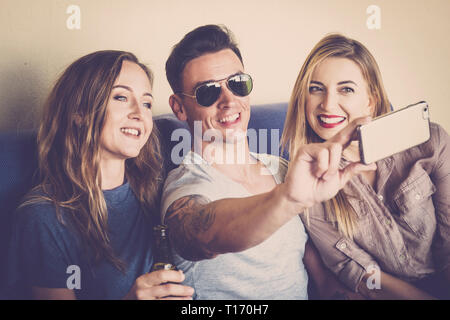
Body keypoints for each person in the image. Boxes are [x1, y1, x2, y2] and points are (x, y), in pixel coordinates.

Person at [161, 24, 375, 299]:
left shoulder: (284, 170)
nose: (229, 101)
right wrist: (287, 199)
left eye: (238, 84)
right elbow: (201, 235)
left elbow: (322, 282)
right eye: (207, 92)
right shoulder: (185, 183)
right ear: (179, 107)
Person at [6, 50, 194, 300]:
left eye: (147, 102)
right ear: (79, 113)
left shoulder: (158, 189)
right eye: (121, 97)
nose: (139, 112)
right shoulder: (43, 216)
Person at [281, 33, 450, 299]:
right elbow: (359, 272)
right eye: (316, 88)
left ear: (370, 100)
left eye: (346, 89)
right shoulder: (306, 183)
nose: (327, 104)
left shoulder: (432, 142)